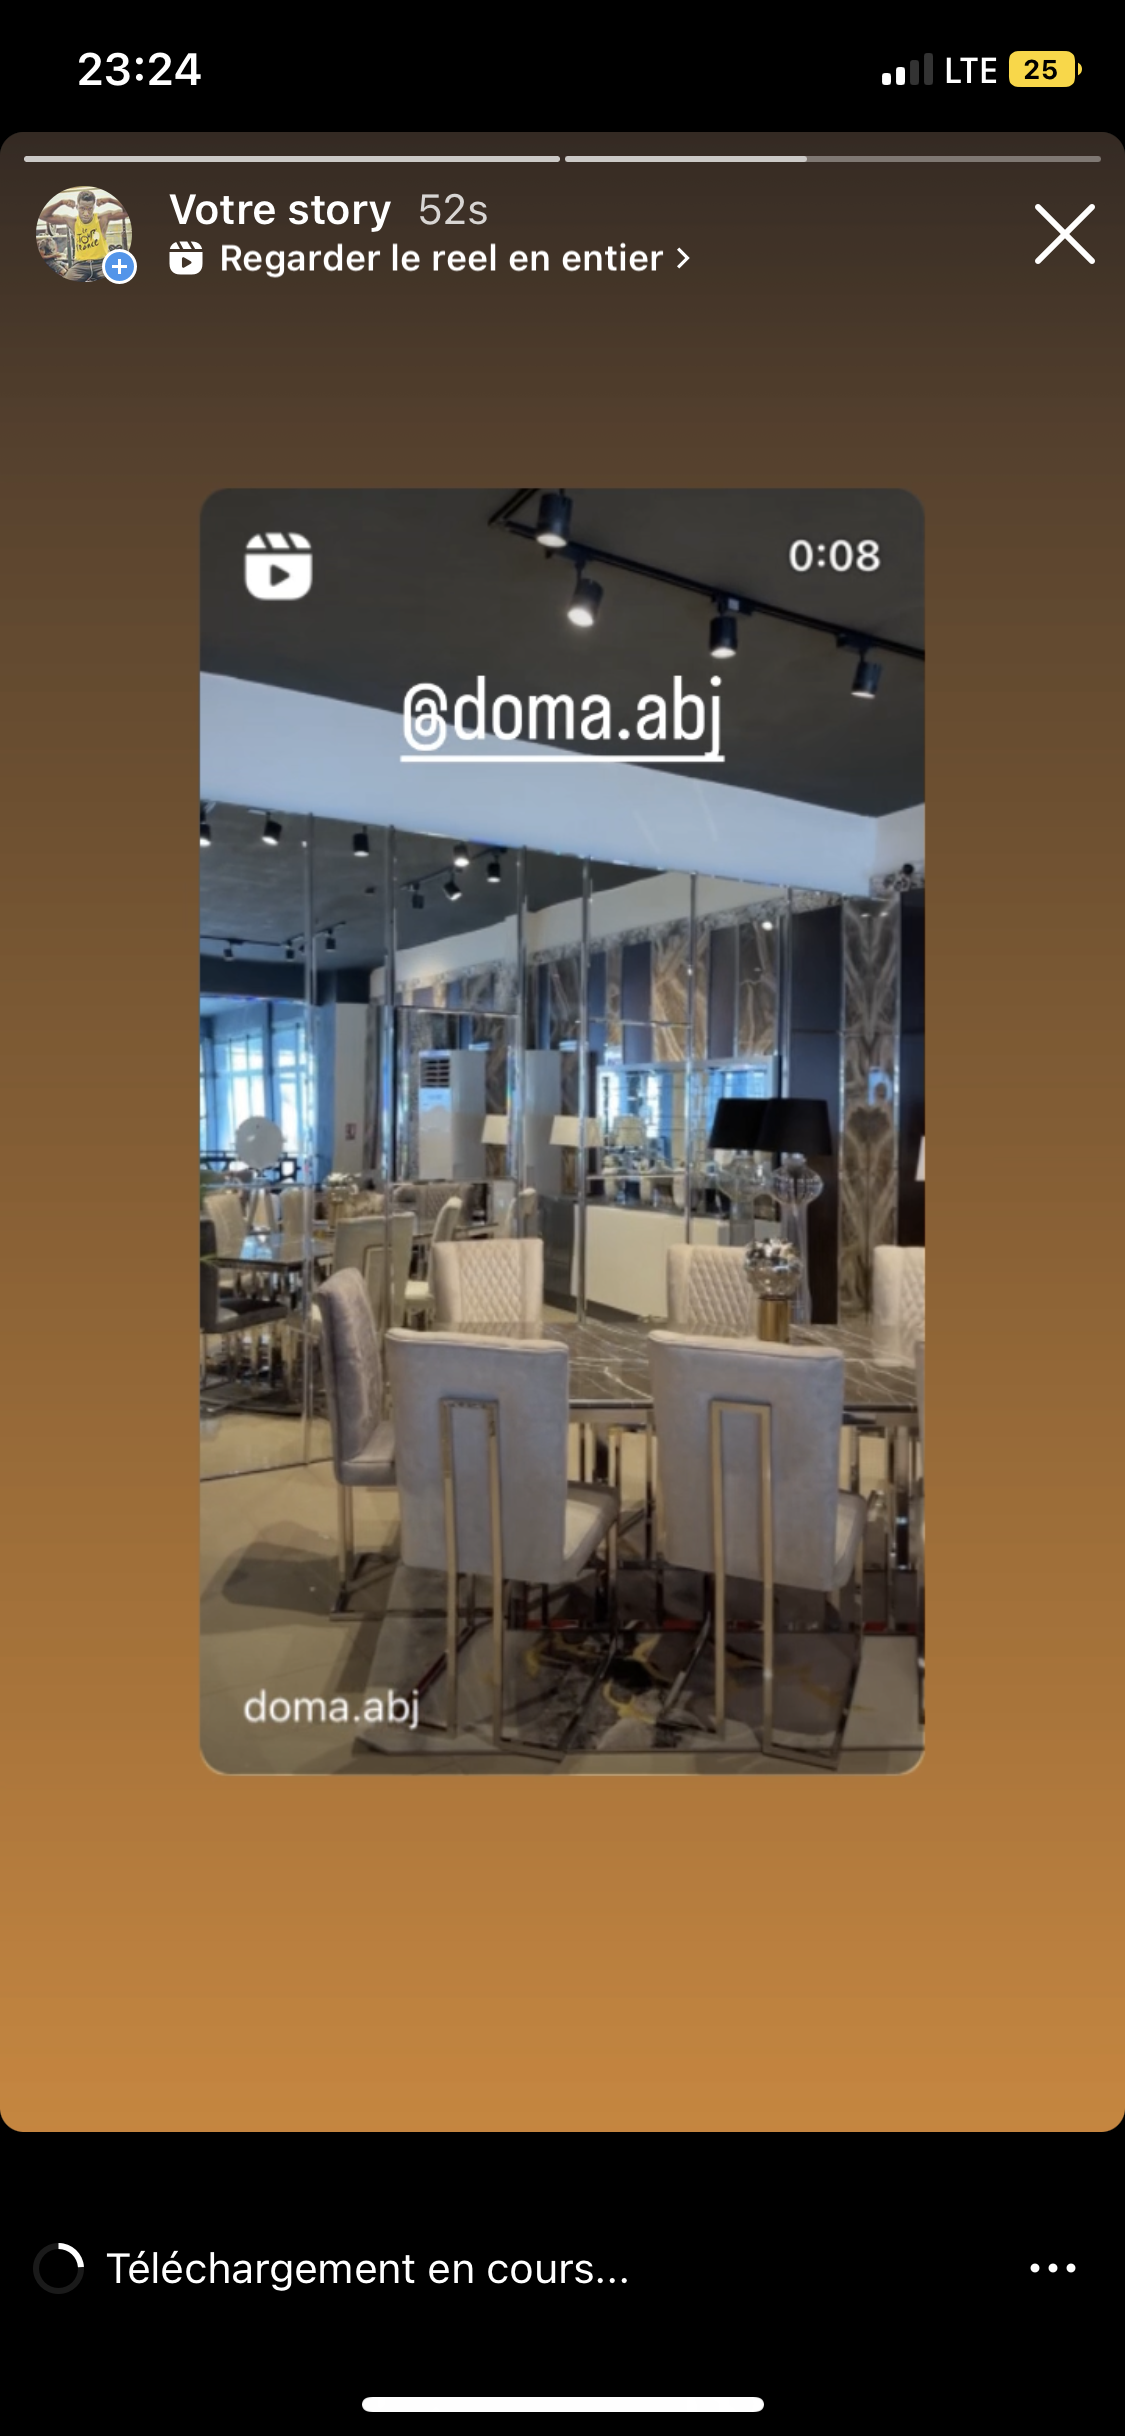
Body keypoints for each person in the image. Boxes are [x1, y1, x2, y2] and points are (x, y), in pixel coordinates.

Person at [40, 188, 128, 281]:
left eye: (90, 209)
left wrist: (110, 200)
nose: (86, 213)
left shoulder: (102, 218)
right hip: (80, 265)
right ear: (77, 207)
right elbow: (43, 216)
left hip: (102, 263)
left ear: (94, 207)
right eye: (82, 208)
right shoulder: (72, 221)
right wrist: (61, 202)